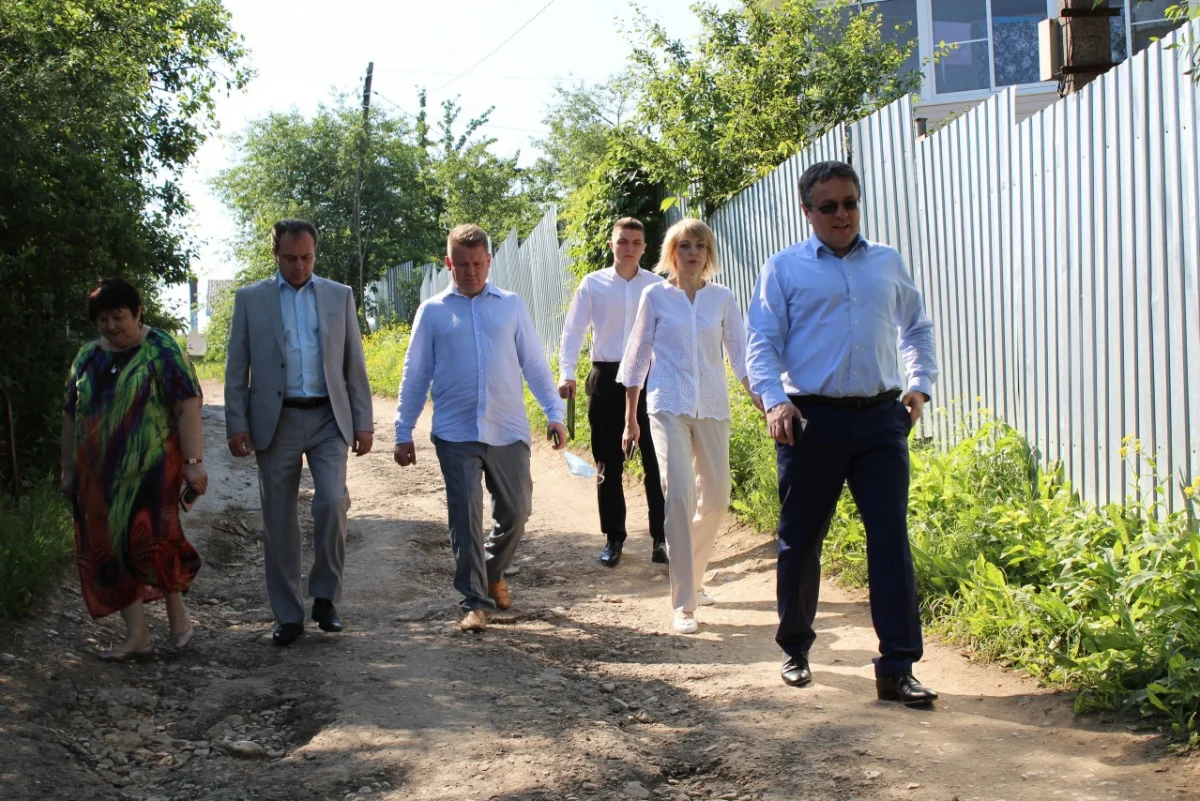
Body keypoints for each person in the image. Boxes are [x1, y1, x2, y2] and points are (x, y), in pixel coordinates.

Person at [745, 160, 940, 705]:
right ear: (807, 211)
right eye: (828, 206)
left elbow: (916, 327)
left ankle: (898, 666)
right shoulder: (785, 269)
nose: (841, 214)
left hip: (881, 419)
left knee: (890, 540)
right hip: (811, 421)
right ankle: (795, 648)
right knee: (802, 539)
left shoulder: (886, 262)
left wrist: (919, 386)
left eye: (850, 203)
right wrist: (775, 401)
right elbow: (761, 342)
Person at [394, 223, 567, 633]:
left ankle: (490, 572)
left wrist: (554, 412)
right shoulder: (433, 312)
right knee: (466, 518)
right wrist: (403, 430)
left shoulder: (511, 305)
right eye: (462, 265)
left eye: (477, 263)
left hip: (507, 428)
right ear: (448, 263)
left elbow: (533, 363)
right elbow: (415, 373)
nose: (470, 272)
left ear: (489, 261)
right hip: (455, 432)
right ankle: (475, 602)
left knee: (517, 513)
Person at [224, 219, 374, 647]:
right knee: (279, 520)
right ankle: (288, 615)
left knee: (332, 502)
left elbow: (354, 364)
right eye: (290, 258)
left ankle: (325, 597)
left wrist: (363, 421)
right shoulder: (251, 299)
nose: (299, 266)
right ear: (275, 254)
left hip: (328, 417)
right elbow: (236, 367)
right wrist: (237, 422)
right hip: (276, 420)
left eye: (307, 257)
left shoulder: (338, 295)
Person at [618, 218, 761, 634]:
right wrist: (630, 418)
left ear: (708, 253)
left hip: (713, 406)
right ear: (672, 252)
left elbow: (739, 353)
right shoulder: (655, 297)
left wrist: (760, 397)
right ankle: (683, 604)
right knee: (679, 495)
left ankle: (693, 575)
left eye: (700, 245)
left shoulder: (722, 298)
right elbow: (637, 356)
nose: (692, 252)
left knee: (717, 497)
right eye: (684, 245)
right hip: (667, 406)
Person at [61, 277, 206, 661]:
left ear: (138, 313)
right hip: (98, 479)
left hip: (153, 472)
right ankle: (137, 635)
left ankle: (178, 617)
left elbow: (187, 406)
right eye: (103, 319)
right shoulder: (87, 357)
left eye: (118, 317)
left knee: (155, 543)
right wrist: (68, 469)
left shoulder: (162, 349)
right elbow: (70, 414)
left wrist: (193, 464)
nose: (111, 326)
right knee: (110, 549)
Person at [558, 217, 667, 568]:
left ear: (645, 247)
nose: (629, 248)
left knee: (656, 461)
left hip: (649, 380)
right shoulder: (593, 284)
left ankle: (662, 538)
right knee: (608, 462)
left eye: (636, 242)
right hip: (606, 378)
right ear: (611, 245)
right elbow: (573, 330)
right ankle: (614, 537)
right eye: (622, 241)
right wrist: (566, 372)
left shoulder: (658, 286)